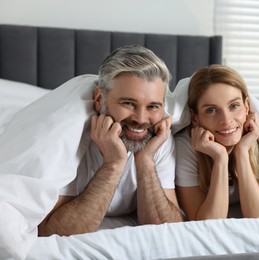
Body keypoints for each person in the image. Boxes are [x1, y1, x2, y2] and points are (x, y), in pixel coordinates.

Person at [38, 45, 183, 236]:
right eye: (128, 103)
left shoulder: (158, 137)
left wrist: (145, 161)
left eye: (153, 106)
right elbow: (54, 231)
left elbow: (169, 230)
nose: (141, 119)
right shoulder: (68, 137)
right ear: (99, 99)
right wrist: (113, 164)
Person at [175, 64, 259, 221]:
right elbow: (207, 224)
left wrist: (242, 152)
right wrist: (220, 158)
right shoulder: (185, 147)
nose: (226, 120)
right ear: (195, 117)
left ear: (247, 106)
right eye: (211, 110)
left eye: (234, 106)